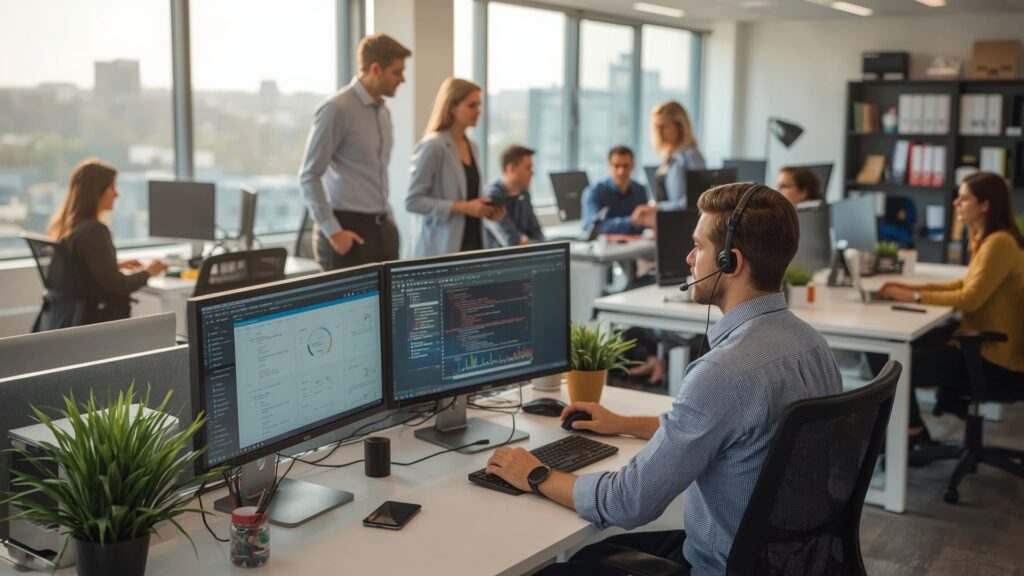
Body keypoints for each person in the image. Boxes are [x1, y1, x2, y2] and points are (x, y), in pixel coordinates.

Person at [485, 183, 843, 575]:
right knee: (593, 556)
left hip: (720, 565)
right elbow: (737, 430)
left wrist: (535, 473)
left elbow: (628, 502)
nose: (690, 258)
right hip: (787, 561)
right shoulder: (813, 346)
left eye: (699, 246)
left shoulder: (725, 373)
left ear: (730, 262)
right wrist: (621, 424)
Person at [877, 172, 1024, 446]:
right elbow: (964, 283)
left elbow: (970, 298)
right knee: (896, 348)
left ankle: (911, 435)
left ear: (985, 205)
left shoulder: (999, 242)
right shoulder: (987, 238)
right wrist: (910, 291)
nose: (957, 203)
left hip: (994, 356)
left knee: (896, 364)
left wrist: (916, 296)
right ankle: (913, 431)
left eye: (964, 197)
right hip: (981, 342)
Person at [298, 33, 411, 271]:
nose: (402, 79)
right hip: (347, 230)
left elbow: (375, 172)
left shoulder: (383, 113)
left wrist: (388, 219)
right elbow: (309, 175)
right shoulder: (336, 109)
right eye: (397, 72)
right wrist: (334, 232)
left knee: (389, 307)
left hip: (381, 229)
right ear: (375, 68)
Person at [43, 159, 165, 328]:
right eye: (112, 187)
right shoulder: (95, 231)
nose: (117, 194)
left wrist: (113, 264)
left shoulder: (72, 227)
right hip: (96, 323)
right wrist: (149, 271)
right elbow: (118, 285)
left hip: (69, 321)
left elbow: (77, 272)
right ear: (96, 191)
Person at [406, 77, 505, 257]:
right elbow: (413, 201)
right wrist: (463, 207)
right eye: (471, 105)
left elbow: (470, 197)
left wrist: (486, 210)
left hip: (473, 244)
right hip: (441, 248)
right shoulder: (433, 146)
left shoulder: (472, 147)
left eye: (479, 105)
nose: (478, 111)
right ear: (452, 107)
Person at [633, 101, 705, 229]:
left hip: (684, 226)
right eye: (657, 127)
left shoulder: (691, 155)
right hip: (667, 223)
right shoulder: (668, 156)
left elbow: (697, 199)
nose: (659, 132)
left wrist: (659, 207)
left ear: (680, 127)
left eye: (664, 127)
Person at [483, 145, 545, 248]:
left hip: (524, 259)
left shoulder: (524, 193)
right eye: (528, 167)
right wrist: (526, 241)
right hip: (501, 261)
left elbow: (537, 232)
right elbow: (512, 241)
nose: (532, 173)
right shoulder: (492, 196)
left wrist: (527, 241)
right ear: (510, 169)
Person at [581, 146, 650, 235]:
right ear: (609, 166)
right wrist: (631, 222)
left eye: (626, 166)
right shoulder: (594, 192)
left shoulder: (640, 190)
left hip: (635, 245)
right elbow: (591, 227)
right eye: (616, 166)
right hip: (604, 246)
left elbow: (643, 224)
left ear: (633, 166)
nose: (621, 171)